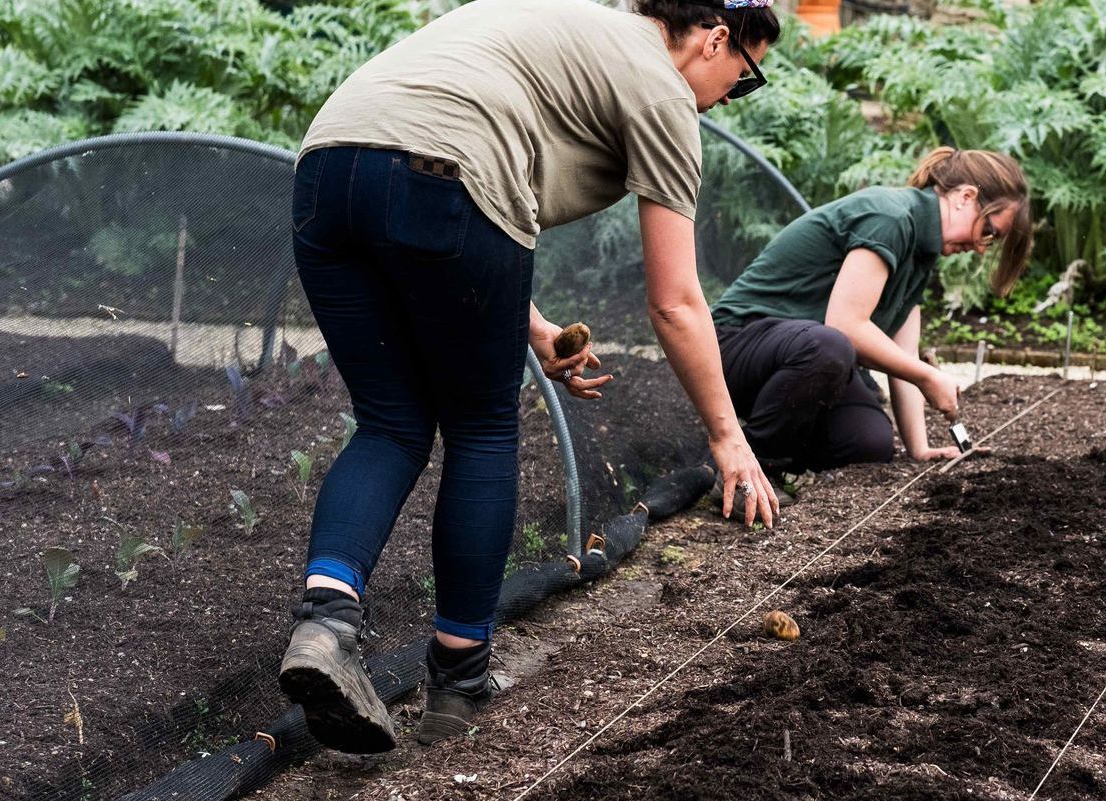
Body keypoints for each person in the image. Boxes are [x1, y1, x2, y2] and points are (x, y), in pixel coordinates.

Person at [280, 0, 783, 753]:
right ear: (717, 40)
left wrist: (535, 325)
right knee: (481, 426)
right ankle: (459, 676)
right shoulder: (662, 86)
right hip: (447, 178)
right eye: (743, 79)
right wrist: (727, 435)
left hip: (328, 171)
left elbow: (440, 158)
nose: (726, 97)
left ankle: (326, 622)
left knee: (391, 421)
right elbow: (676, 301)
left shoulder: (560, 20)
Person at [709, 147, 1031, 472]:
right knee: (831, 346)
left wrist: (919, 448)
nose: (980, 248)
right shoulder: (890, 217)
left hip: (800, 362)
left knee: (867, 442)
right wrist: (930, 376)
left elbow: (904, 356)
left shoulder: (921, 254)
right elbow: (845, 325)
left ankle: (772, 443)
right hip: (732, 345)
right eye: (989, 231)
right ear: (965, 196)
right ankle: (748, 463)